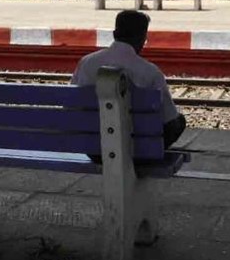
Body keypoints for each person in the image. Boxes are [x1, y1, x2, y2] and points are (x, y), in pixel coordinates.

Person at [71, 10, 186, 158]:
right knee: (179, 121)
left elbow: (71, 106)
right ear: (142, 37)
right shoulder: (150, 72)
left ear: (114, 34)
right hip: (137, 150)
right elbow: (168, 118)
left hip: (95, 149)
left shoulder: (86, 62)